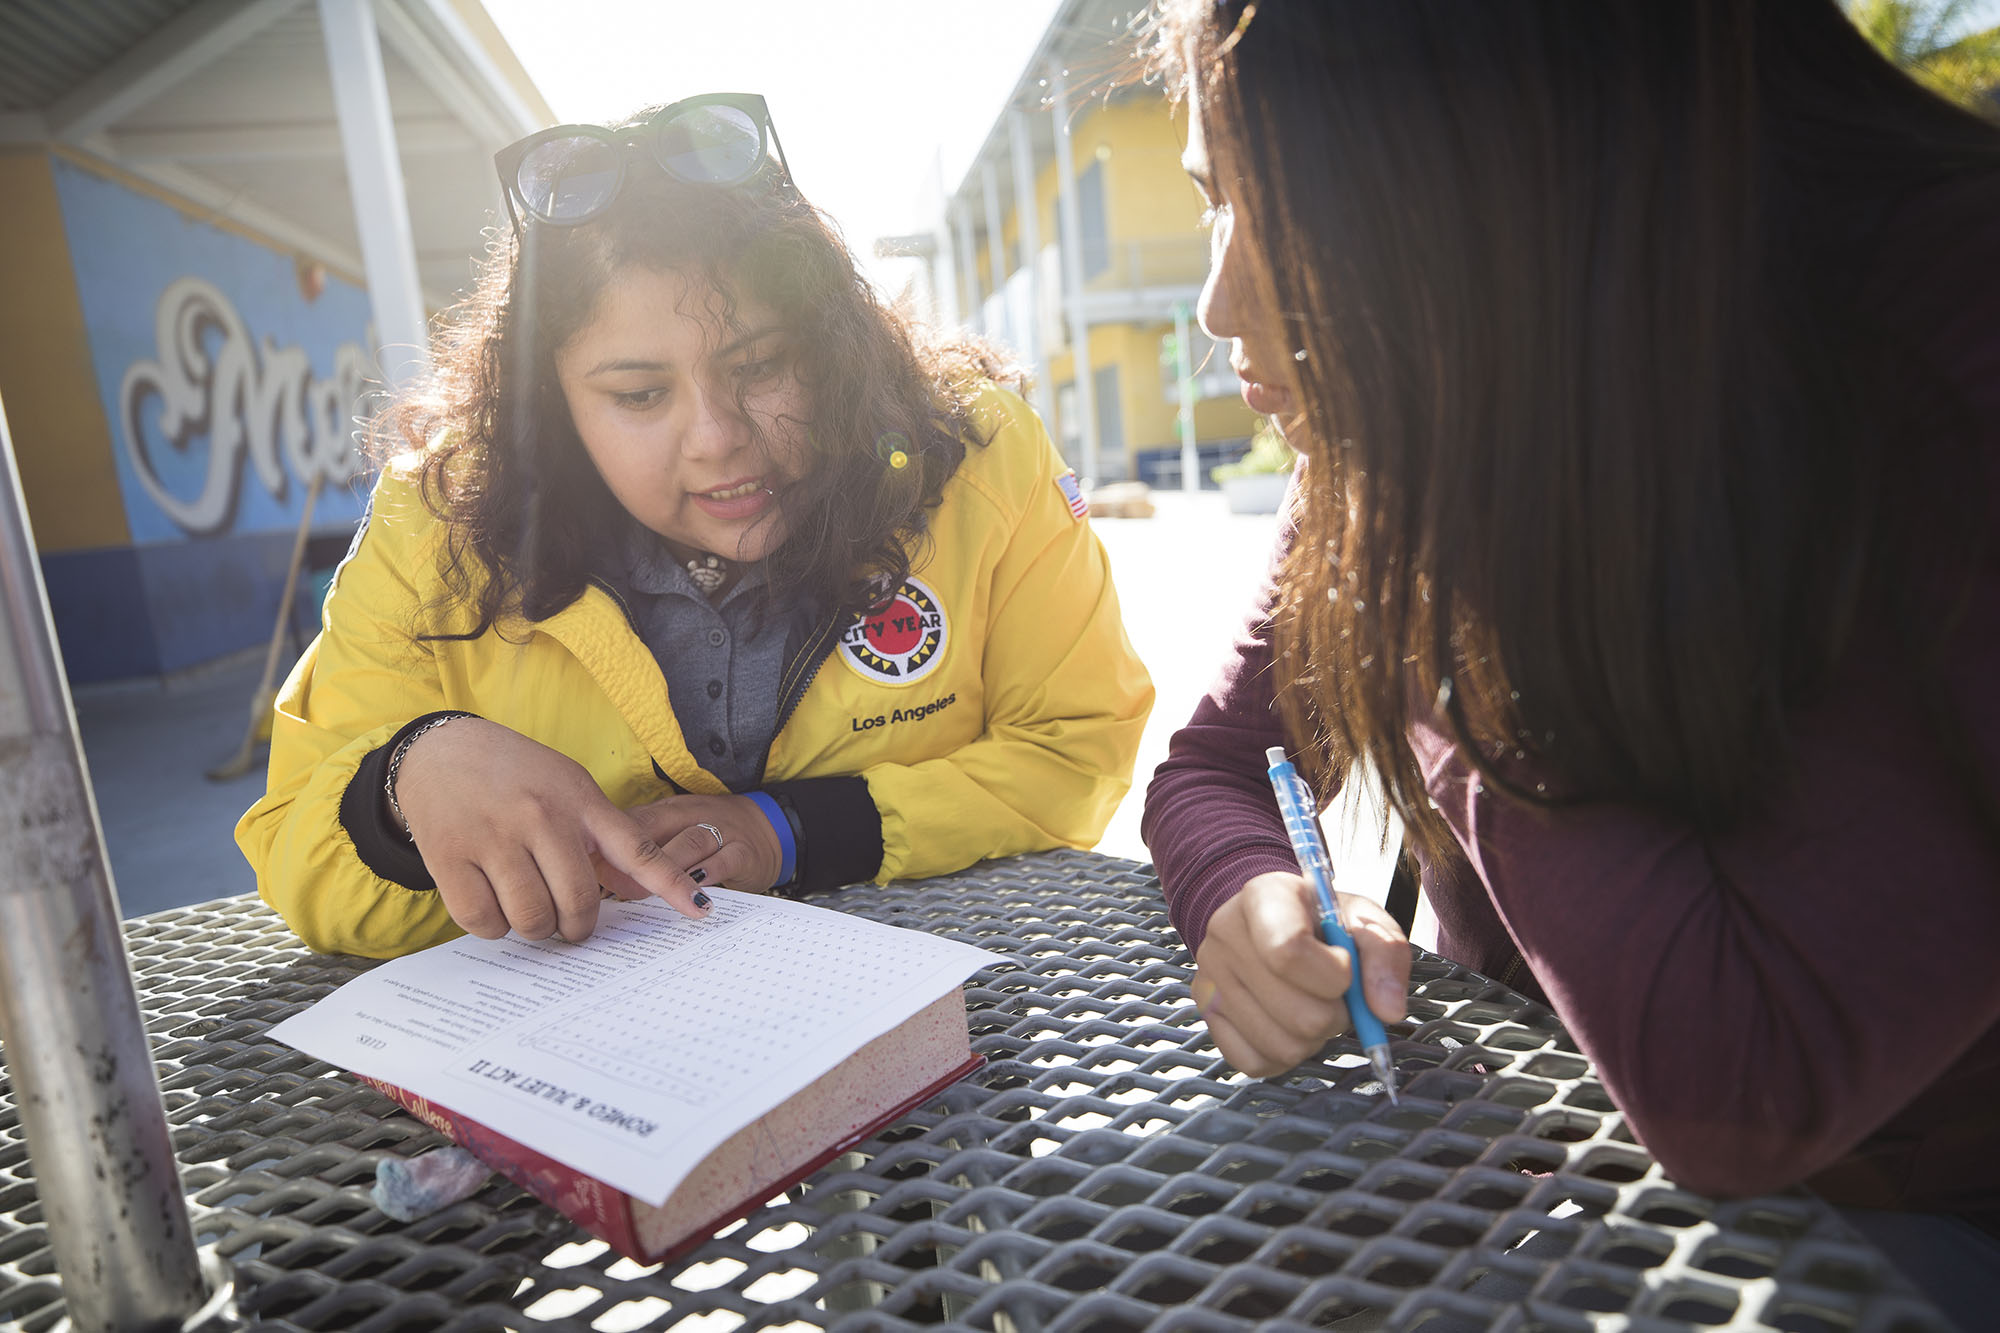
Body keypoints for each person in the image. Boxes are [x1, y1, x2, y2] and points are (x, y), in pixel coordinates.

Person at [1141, 2, 2000, 1319]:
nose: (1217, 301)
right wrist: (1252, 895)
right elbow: (1213, 762)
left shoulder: (1940, 349)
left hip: (1899, 1235)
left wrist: (1426, 540)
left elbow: (1743, 1088)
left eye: (1283, 202)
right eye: (1214, 201)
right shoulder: (1435, 403)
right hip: (1536, 1156)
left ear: (1475, 173)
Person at [239, 92, 1152, 960]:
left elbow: (1075, 748)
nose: (719, 440)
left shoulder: (979, 457)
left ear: (835, 347)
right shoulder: (439, 525)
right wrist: (404, 783)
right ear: (550, 405)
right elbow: (296, 853)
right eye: (639, 394)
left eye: (761, 367)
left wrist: (792, 831)